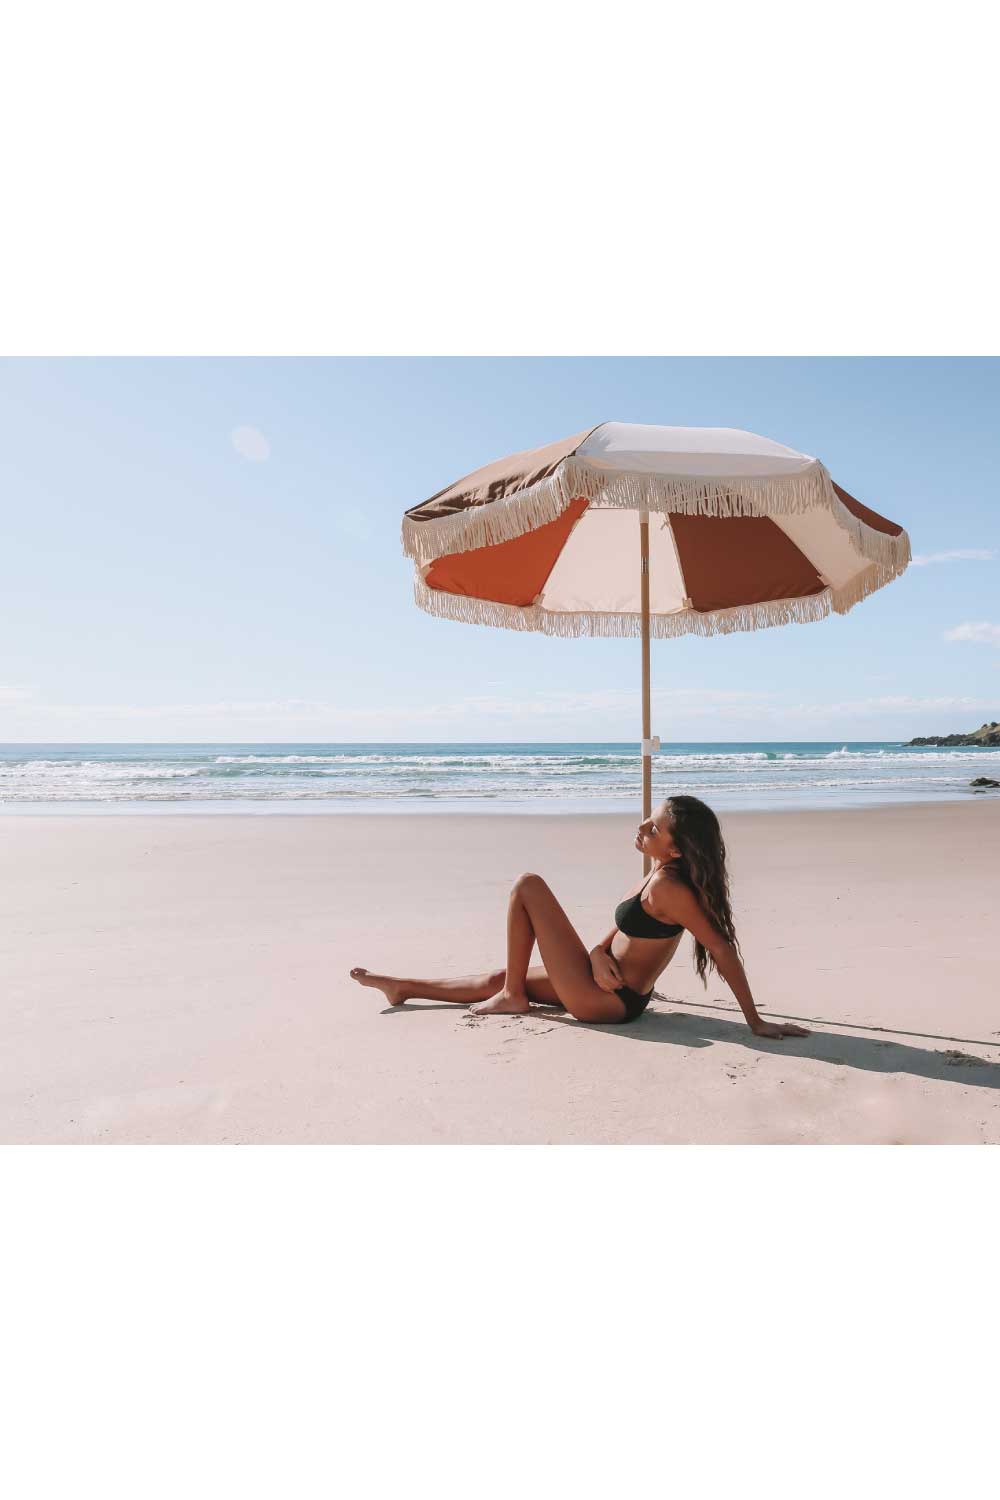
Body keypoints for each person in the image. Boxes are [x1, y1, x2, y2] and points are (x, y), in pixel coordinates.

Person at [349, 794, 809, 1039]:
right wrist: (593, 952)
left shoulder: (672, 887)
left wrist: (755, 1021)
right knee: (502, 973)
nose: (642, 827)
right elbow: (615, 935)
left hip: (609, 1003)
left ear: (675, 847)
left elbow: (721, 948)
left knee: (527, 884)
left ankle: (513, 996)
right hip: (601, 984)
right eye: (646, 819)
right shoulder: (656, 873)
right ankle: (405, 987)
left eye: (654, 827)